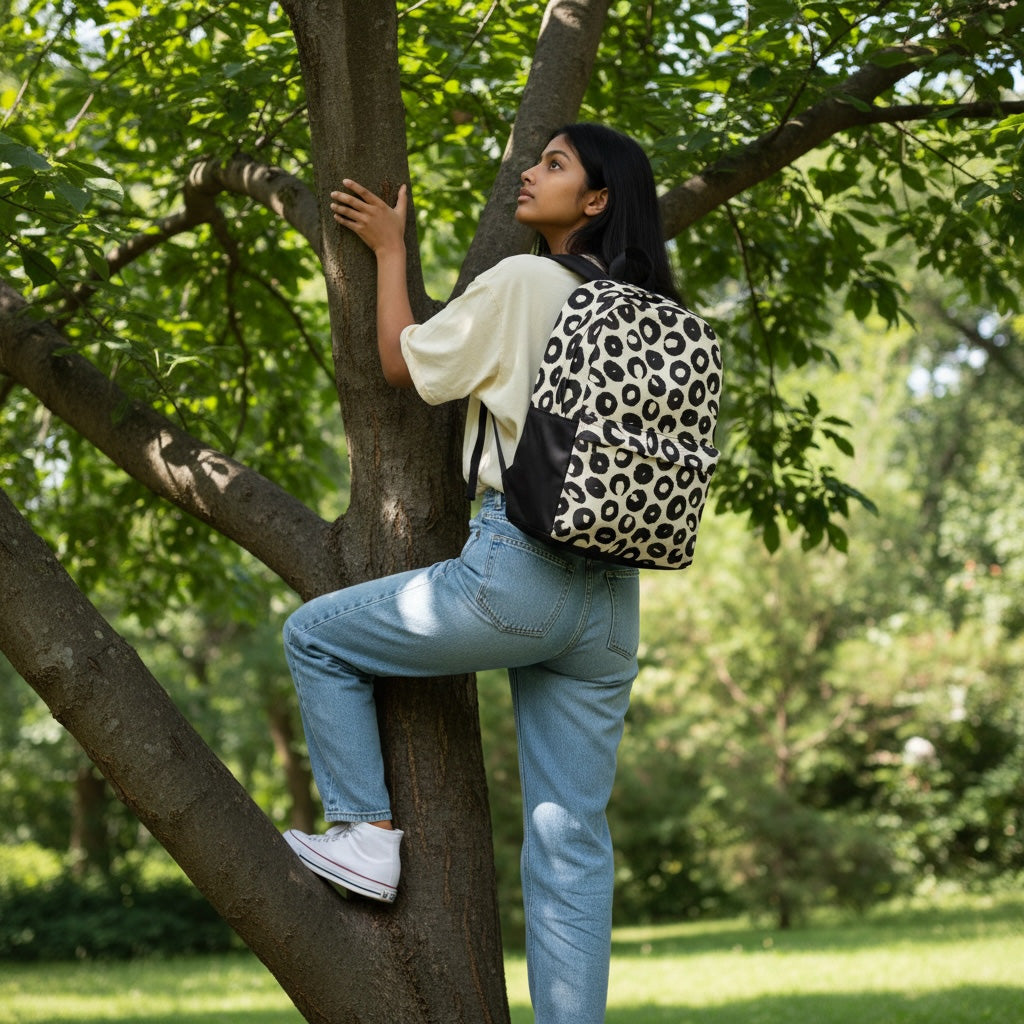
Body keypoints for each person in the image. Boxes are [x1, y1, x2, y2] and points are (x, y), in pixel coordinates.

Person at [282, 123, 680, 1024]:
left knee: (314, 636)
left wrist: (390, 250)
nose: (528, 173)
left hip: (518, 573)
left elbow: (402, 362)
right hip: (614, 601)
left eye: (553, 164)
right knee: (570, 843)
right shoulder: (655, 311)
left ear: (597, 199)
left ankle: (366, 837)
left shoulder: (524, 281)